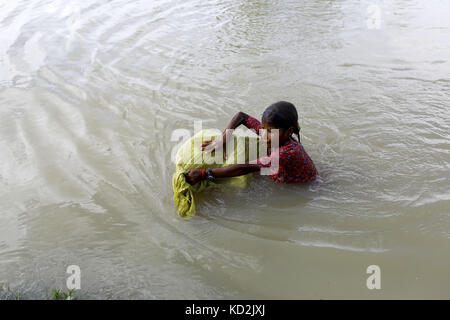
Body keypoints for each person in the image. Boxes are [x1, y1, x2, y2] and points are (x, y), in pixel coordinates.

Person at [184, 101, 318, 185]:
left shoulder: (288, 152)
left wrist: (203, 174)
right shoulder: (273, 134)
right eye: (263, 128)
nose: (263, 135)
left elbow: (245, 168)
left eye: (270, 131)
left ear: (289, 131)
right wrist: (223, 138)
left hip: (302, 186)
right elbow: (241, 116)